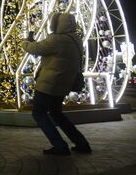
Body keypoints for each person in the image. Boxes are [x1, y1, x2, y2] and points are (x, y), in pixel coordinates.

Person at [22, 12, 92, 155]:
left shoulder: (56, 40)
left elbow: (35, 49)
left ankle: (59, 145)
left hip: (49, 84)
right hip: (63, 84)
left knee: (39, 113)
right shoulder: (76, 39)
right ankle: (81, 143)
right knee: (57, 114)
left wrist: (25, 42)